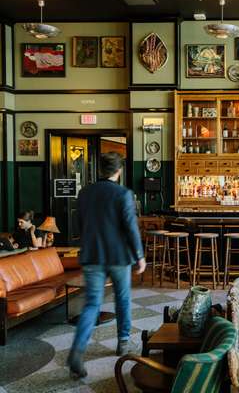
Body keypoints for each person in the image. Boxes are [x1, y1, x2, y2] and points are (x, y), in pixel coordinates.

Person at [67, 152, 146, 379]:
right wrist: (139, 255)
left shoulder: (84, 193)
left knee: (91, 304)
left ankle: (77, 350)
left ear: (99, 169)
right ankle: (122, 342)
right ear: (118, 171)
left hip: (92, 255)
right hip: (119, 256)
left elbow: (80, 224)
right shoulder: (123, 194)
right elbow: (131, 227)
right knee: (122, 299)